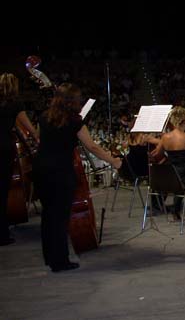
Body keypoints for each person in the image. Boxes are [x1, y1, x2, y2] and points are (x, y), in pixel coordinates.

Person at [33, 83, 122, 272]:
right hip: (61, 171)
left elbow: (40, 141)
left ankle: (50, 257)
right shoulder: (74, 121)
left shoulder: (43, 117)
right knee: (60, 217)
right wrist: (113, 161)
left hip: (41, 169)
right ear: (72, 101)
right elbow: (92, 147)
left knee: (48, 215)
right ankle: (60, 261)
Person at [0, 73, 39, 246]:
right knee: (2, 191)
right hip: (4, 149)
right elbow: (29, 129)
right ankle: (2, 234)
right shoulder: (16, 104)